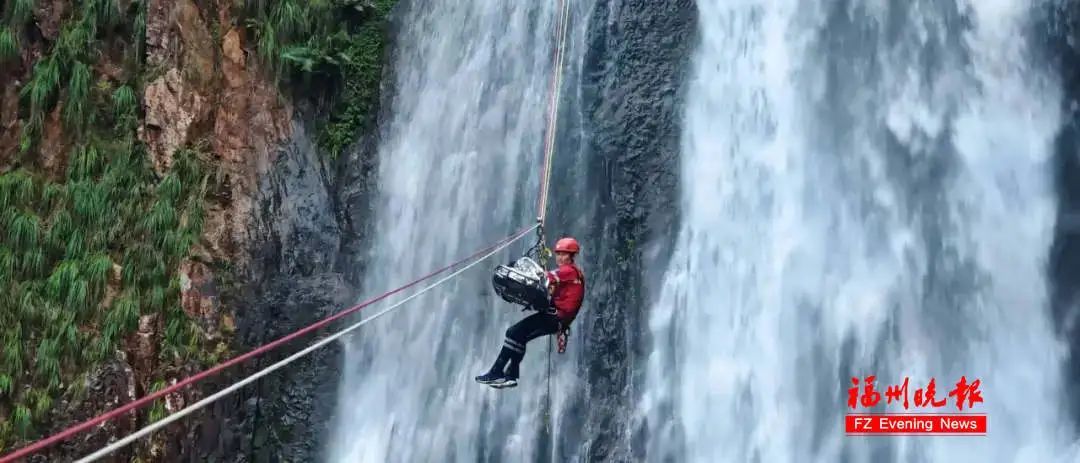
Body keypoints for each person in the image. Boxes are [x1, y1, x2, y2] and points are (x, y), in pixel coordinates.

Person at [475, 236, 585, 388]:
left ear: (571, 256)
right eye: (558, 254)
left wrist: (517, 270)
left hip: (555, 318)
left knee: (514, 333)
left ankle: (497, 373)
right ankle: (510, 376)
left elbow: (544, 278)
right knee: (519, 336)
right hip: (557, 319)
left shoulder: (568, 271)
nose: (559, 257)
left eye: (564, 254)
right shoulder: (575, 274)